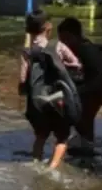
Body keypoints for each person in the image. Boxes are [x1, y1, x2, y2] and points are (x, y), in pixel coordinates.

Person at [19, 10, 82, 170]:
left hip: (37, 100)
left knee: (41, 136)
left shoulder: (26, 52)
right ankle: (51, 169)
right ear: (48, 26)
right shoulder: (58, 46)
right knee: (62, 137)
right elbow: (76, 65)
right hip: (57, 98)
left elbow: (23, 80)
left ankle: (35, 163)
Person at [56, 17, 102, 147]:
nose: (64, 43)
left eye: (65, 39)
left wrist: (78, 92)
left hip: (95, 89)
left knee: (82, 120)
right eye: (61, 40)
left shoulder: (86, 50)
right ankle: (86, 145)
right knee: (85, 121)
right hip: (96, 88)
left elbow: (101, 75)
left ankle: (84, 147)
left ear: (74, 36)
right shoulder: (83, 47)